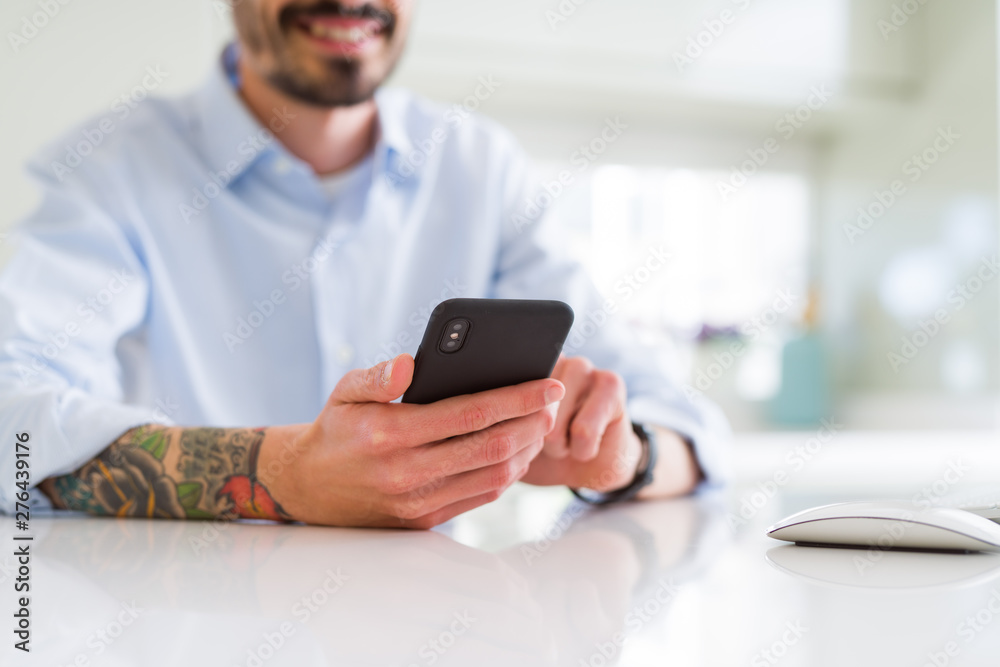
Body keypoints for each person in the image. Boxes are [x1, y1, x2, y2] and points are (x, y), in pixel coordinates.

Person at [0, 0, 728, 528]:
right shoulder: (116, 167)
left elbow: (688, 424)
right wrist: (277, 474)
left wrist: (622, 456)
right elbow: (10, 420)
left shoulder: (480, 168)